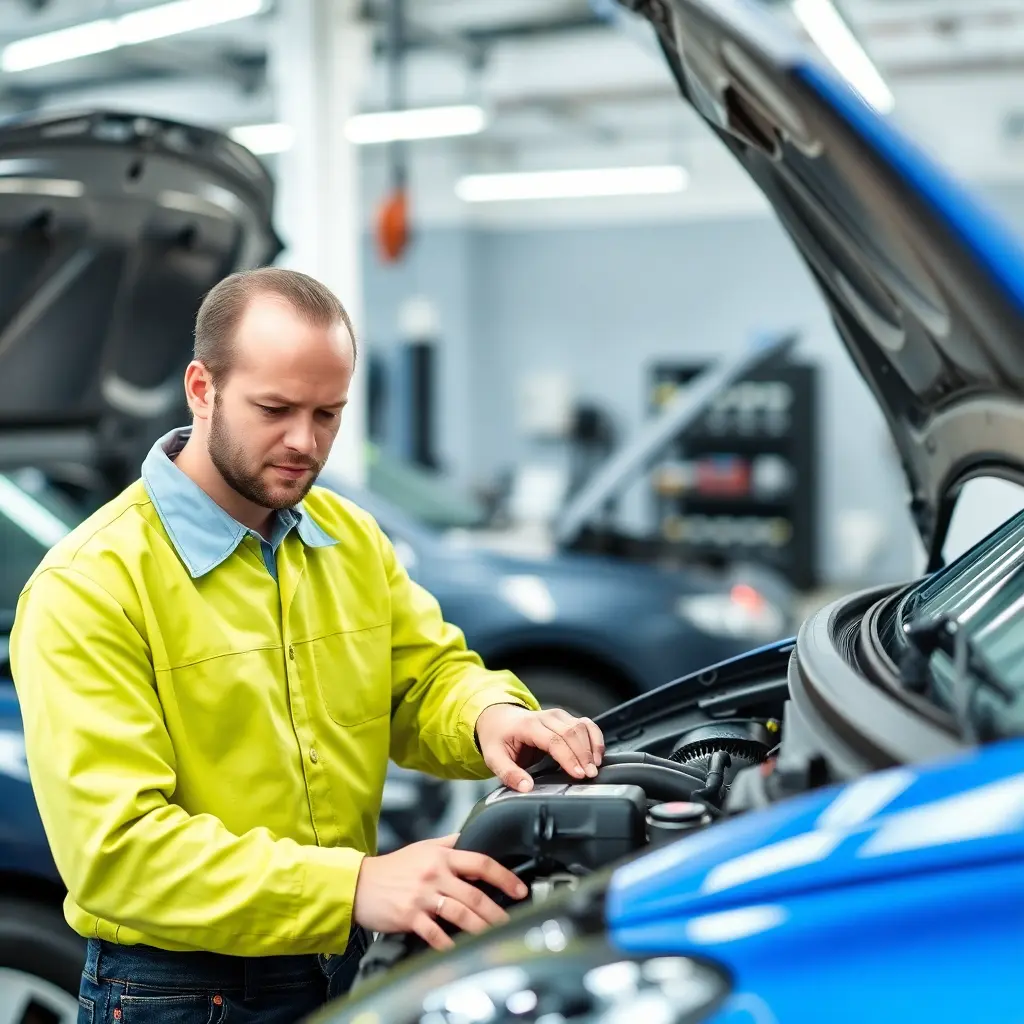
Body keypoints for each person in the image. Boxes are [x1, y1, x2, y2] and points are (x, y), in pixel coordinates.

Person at [9, 267, 605, 1024]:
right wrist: (355, 886)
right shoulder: (91, 587)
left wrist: (491, 714)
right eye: (275, 409)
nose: (304, 441)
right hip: (180, 994)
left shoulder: (348, 539)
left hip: (344, 960)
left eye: (328, 413)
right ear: (202, 388)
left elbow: (423, 679)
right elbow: (121, 853)